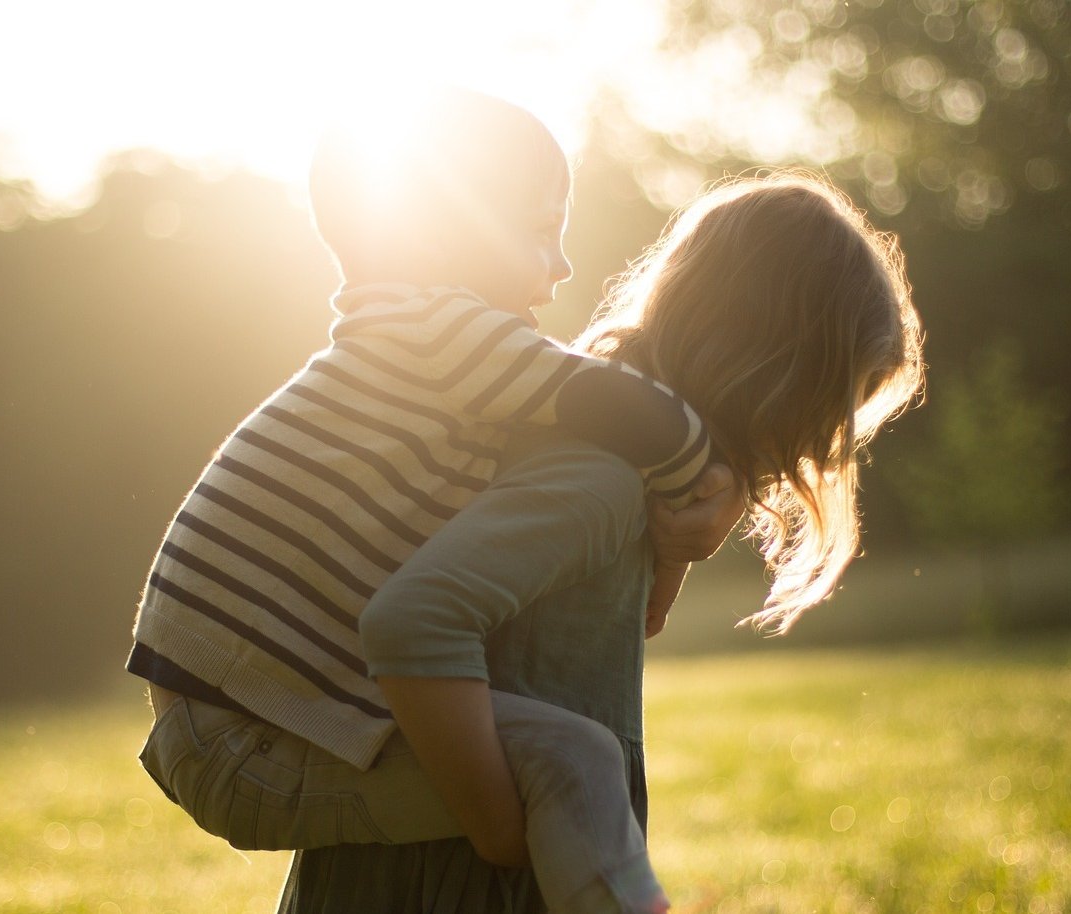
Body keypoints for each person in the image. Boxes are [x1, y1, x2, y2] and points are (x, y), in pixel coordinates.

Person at [129, 87, 746, 914]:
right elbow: (622, 405)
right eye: (537, 232)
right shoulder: (437, 331)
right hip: (243, 737)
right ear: (438, 235)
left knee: (556, 758)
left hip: (235, 721)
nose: (560, 266)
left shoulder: (410, 342)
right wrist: (703, 486)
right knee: (574, 761)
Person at [278, 173, 925, 912]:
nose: (815, 447)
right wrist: (498, 826)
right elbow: (414, 617)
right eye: (825, 408)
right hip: (455, 875)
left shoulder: (628, 466)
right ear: (769, 366)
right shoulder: (602, 480)